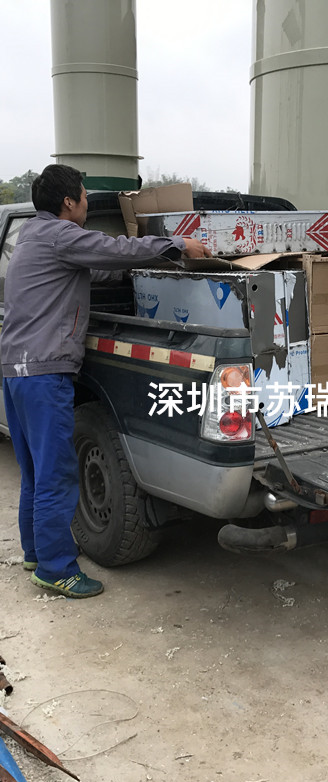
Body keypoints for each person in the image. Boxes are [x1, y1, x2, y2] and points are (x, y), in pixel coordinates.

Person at [0, 163, 212, 598]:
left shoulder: (33, 236)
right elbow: (113, 248)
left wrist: (139, 271)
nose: (86, 202)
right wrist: (177, 245)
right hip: (43, 373)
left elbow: (95, 268)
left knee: (36, 472)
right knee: (57, 475)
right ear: (68, 202)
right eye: (83, 196)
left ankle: (37, 553)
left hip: (17, 371)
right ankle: (57, 568)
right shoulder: (61, 235)